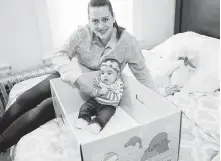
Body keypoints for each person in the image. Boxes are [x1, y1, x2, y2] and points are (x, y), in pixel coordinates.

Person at [0, 0, 157, 152]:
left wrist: (157, 98)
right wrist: (76, 77)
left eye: (105, 19)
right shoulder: (81, 34)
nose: (101, 26)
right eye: (95, 21)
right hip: (71, 77)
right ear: (89, 20)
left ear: (114, 17)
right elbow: (59, 55)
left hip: (92, 92)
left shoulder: (128, 42)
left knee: (42, 109)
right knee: (25, 98)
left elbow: (142, 72)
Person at [75, 58, 124, 134]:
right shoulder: (98, 80)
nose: (105, 76)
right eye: (102, 73)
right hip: (95, 101)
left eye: (109, 73)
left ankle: (96, 124)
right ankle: (83, 118)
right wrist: (99, 92)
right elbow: (93, 91)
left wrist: (107, 93)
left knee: (105, 115)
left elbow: (117, 98)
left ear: (117, 75)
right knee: (85, 107)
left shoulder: (118, 84)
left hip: (109, 105)